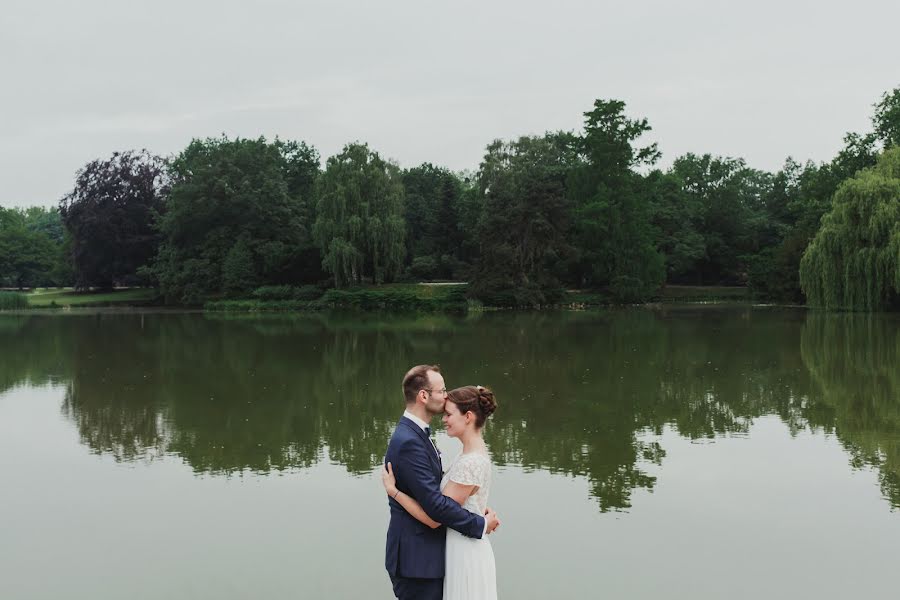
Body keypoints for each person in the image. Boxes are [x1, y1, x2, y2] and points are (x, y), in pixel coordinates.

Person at [383, 365, 500, 600]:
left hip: (437, 558)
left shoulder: (418, 435)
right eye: (442, 390)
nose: (446, 395)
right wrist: (479, 523)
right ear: (423, 396)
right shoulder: (409, 441)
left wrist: (395, 492)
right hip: (417, 563)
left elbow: (441, 500)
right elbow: (436, 509)